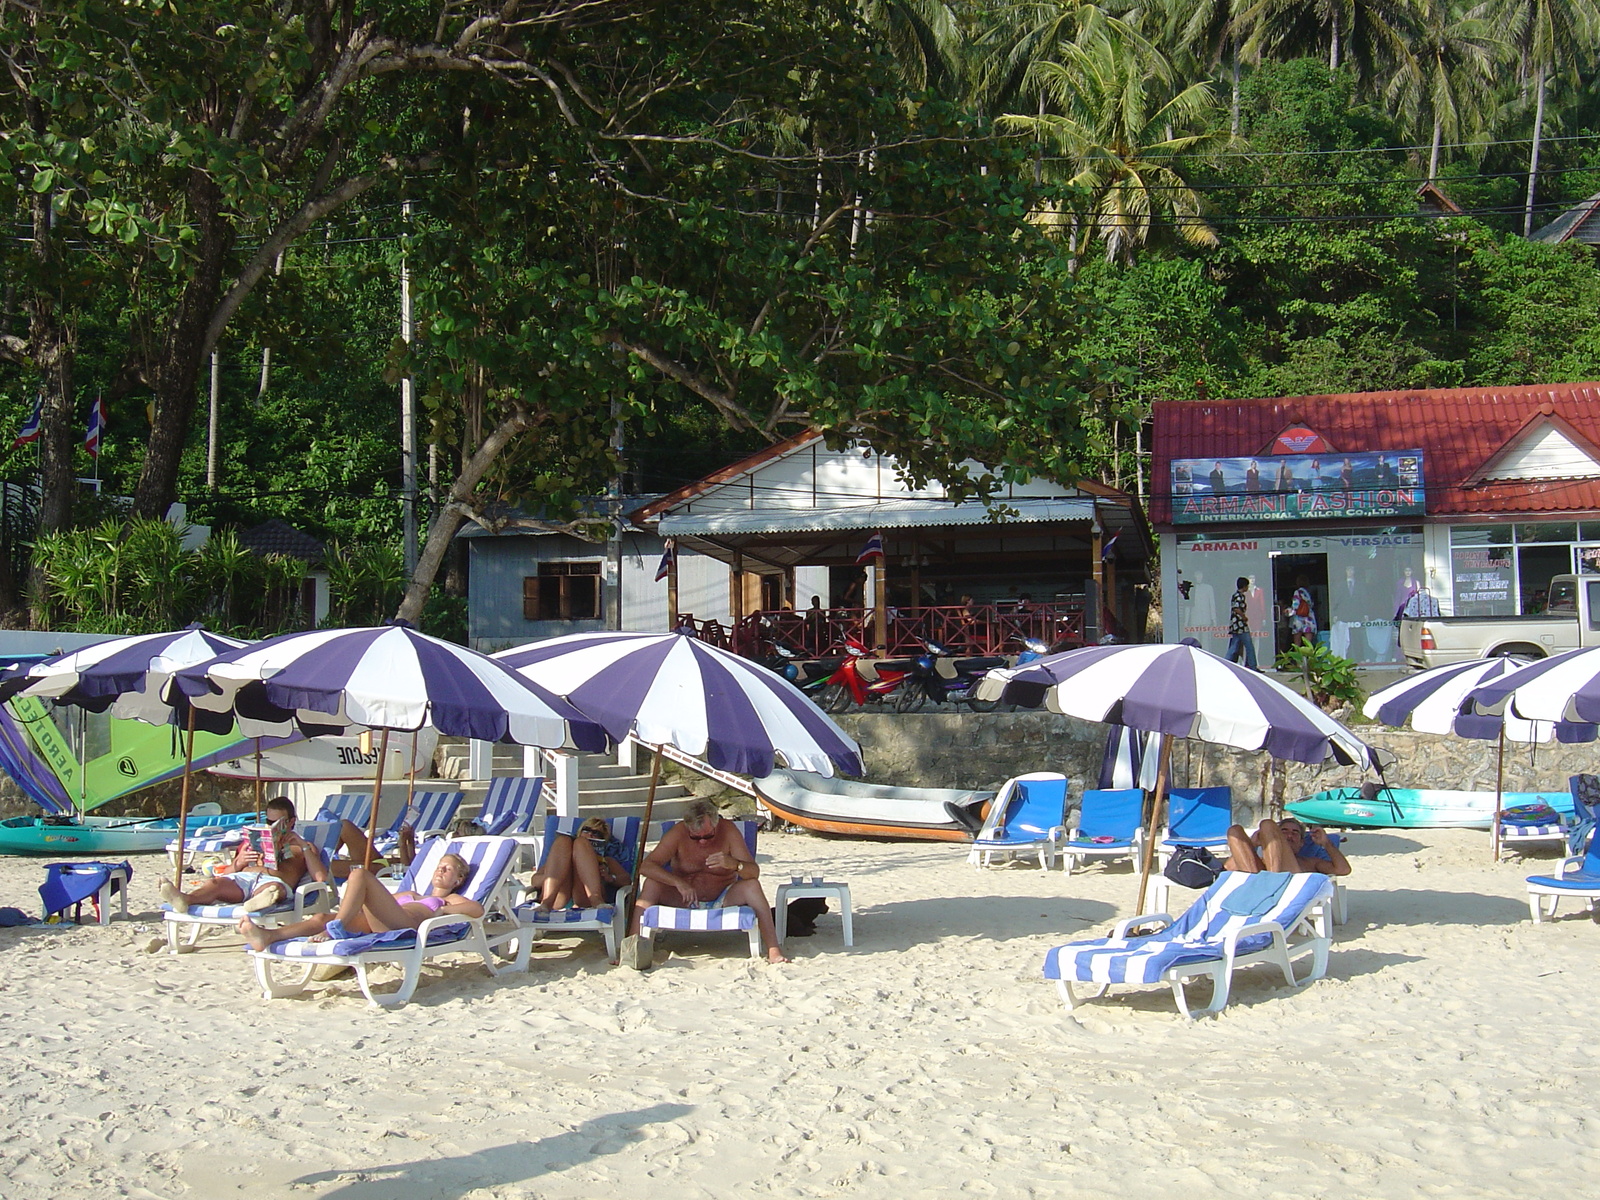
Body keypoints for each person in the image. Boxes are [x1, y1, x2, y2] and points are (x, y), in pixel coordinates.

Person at [629, 798, 788, 963]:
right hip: (683, 899)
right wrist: (677, 882)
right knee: (651, 884)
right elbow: (646, 867)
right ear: (687, 827)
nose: (703, 841)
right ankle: (632, 949)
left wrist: (735, 864)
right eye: (696, 837)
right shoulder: (678, 833)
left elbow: (754, 872)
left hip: (722, 897)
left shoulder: (728, 831)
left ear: (716, 824)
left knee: (752, 886)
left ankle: (773, 950)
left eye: (708, 835)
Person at [238, 851, 480, 951]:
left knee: (361, 874)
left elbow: (477, 909)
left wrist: (441, 913)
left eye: (447, 869)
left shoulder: (450, 899)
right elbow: (375, 902)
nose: (440, 871)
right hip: (384, 920)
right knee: (322, 917)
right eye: (439, 866)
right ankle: (268, 936)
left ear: (458, 879)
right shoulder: (415, 894)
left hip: (406, 926)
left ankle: (337, 927)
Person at [159, 797, 326, 915]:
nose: (271, 826)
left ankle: (258, 902)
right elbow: (227, 874)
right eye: (269, 822)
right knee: (215, 882)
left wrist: (303, 846)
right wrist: (239, 862)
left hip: (274, 882)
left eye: (278, 823)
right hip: (243, 879)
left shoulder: (304, 847)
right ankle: (185, 899)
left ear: (291, 821)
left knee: (274, 889)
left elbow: (321, 878)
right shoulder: (253, 841)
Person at [529, 816, 628, 912]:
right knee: (563, 841)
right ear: (580, 831)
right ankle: (546, 903)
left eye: (597, 833)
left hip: (585, 899)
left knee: (581, 843)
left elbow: (627, 880)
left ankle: (596, 900)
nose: (590, 834)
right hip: (558, 899)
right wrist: (552, 876)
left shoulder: (607, 861)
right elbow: (534, 881)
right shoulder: (559, 857)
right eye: (586, 830)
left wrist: (610, 877)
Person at [1224, 817, 1351, 876]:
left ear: (1302, 843)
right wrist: (1252, 845)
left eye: (1295, 833)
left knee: (1267, 823)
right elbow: (1229, 867)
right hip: (1257, 888)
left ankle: (1273, 880)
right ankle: (1266, 884)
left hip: (1287, 888)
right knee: (1235, 831)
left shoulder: (1310, 863)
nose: (1289, 835)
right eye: (1283, 831)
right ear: (1273, 836)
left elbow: (1343, 870)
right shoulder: (1259, 862)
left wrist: (1326, 843)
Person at [1226, 576, 1257, 670]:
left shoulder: (1237, 595)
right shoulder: (1239, 596)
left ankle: (1226, 663)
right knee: (1249, 645)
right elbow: (1236, 608)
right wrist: (1244, 617)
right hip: (1240, 625)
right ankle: (1252, 666)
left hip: (1236, 625)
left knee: (1234, 645)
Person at [1284, 576, 1317, 648]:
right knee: (1308, 644)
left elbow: (1295, 605)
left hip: (1299, 619)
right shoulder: (1309, 592)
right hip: (1309, 618)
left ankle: (1299, 659)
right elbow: (1312, 604)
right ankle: (1307, 658)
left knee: (1297, 643)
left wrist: (1287, 612)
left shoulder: (1297, 592)